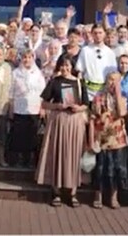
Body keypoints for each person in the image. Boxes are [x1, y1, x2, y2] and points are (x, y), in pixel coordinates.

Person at [36, 55, 88, 208]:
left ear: (72, 66)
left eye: (67, 66)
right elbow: (44, 103)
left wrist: (79, 108)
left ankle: (72, 193)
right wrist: (56, 106)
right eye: (62, 66)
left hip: (75, 122)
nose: (64, 69)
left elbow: (86, 103)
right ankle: (56, 191)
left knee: (73, 155)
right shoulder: (55, 82)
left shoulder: (79, 82)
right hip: (58, 121)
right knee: (57, 154)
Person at [90, 72, 128, 209]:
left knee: (117, 168)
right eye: (110, 80)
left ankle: (114, 196)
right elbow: (94, 116)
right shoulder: (99, 97)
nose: (112, 83)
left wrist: (117, 92)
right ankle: (98, 195)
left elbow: (122, 112)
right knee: (101, 168)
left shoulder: (122, 97)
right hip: (102, 137)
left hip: (118, 137)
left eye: (116, 80)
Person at [8, 49, 46, 167]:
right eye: (25, 57)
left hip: (34, 109)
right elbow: (10, 92)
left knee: (32, 135)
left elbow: (43, 92)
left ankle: (29, 159)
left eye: (29, 57)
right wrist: (11, 108)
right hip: (19, 108)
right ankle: (18, 159)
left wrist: (42, 108)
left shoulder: (38, 73)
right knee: (18, 135)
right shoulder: (15, 73)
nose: (27, 60)